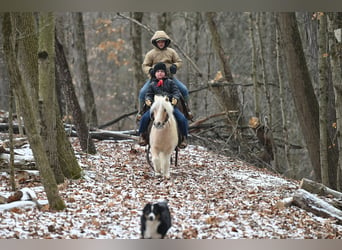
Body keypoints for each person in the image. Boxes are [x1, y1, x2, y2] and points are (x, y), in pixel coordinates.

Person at [137, 30, 193, 120]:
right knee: (143, 92)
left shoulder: (171, 52)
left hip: (169, 78)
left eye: (162, 41)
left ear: (166, 42)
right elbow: (144, 65)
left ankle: (187, 110)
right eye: (159, 42)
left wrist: (175, 66)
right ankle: (140, 112)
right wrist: (150, 70)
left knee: (184, 89)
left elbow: (179, 61)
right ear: (155, 42)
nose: (161, 43)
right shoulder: (151, 54)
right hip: (154, 79)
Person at [138, 62, 188, 148]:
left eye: (162, 71)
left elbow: (176, 91)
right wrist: (148, 100)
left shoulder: (170, 82)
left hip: (169, 106)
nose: (160, 73)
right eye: (157, 71)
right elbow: (148, 94)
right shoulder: (152, 84)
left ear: (165, 73)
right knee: (145, 117)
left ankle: (184, 137)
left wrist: (175, 98)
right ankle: (142, 135)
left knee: (182, 118)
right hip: (156, 108)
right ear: (155, 74)